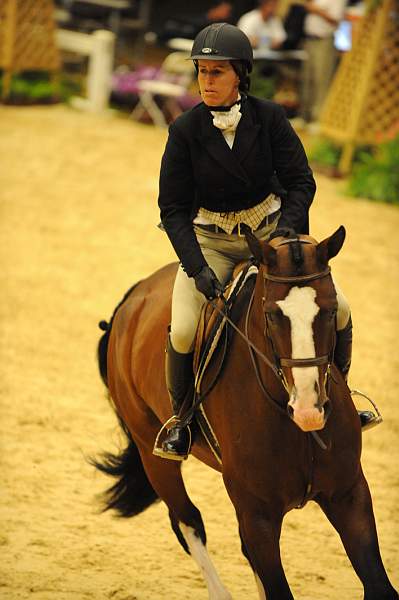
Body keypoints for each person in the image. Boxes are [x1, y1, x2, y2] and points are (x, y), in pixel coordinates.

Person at [155, 22, 377, 461]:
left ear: (240, 73)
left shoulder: (271, 118)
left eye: (217, 72)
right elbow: (172, 209)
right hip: (213, 243)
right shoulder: (184, 130)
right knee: (182, 328)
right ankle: (182, 421)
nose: (207, 81)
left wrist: (285, 235)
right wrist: (197, 266)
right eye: (201, 71)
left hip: (270, 235)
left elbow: (301, 183)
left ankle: (343, 395)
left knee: (342, 308)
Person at [299, 0, 347, 127]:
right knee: (307, 78)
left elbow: (336, 19)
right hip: (309, 39)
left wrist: (316, 10)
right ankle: (304, 117)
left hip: (324, 41)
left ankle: (319, 119)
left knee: (322, 79)